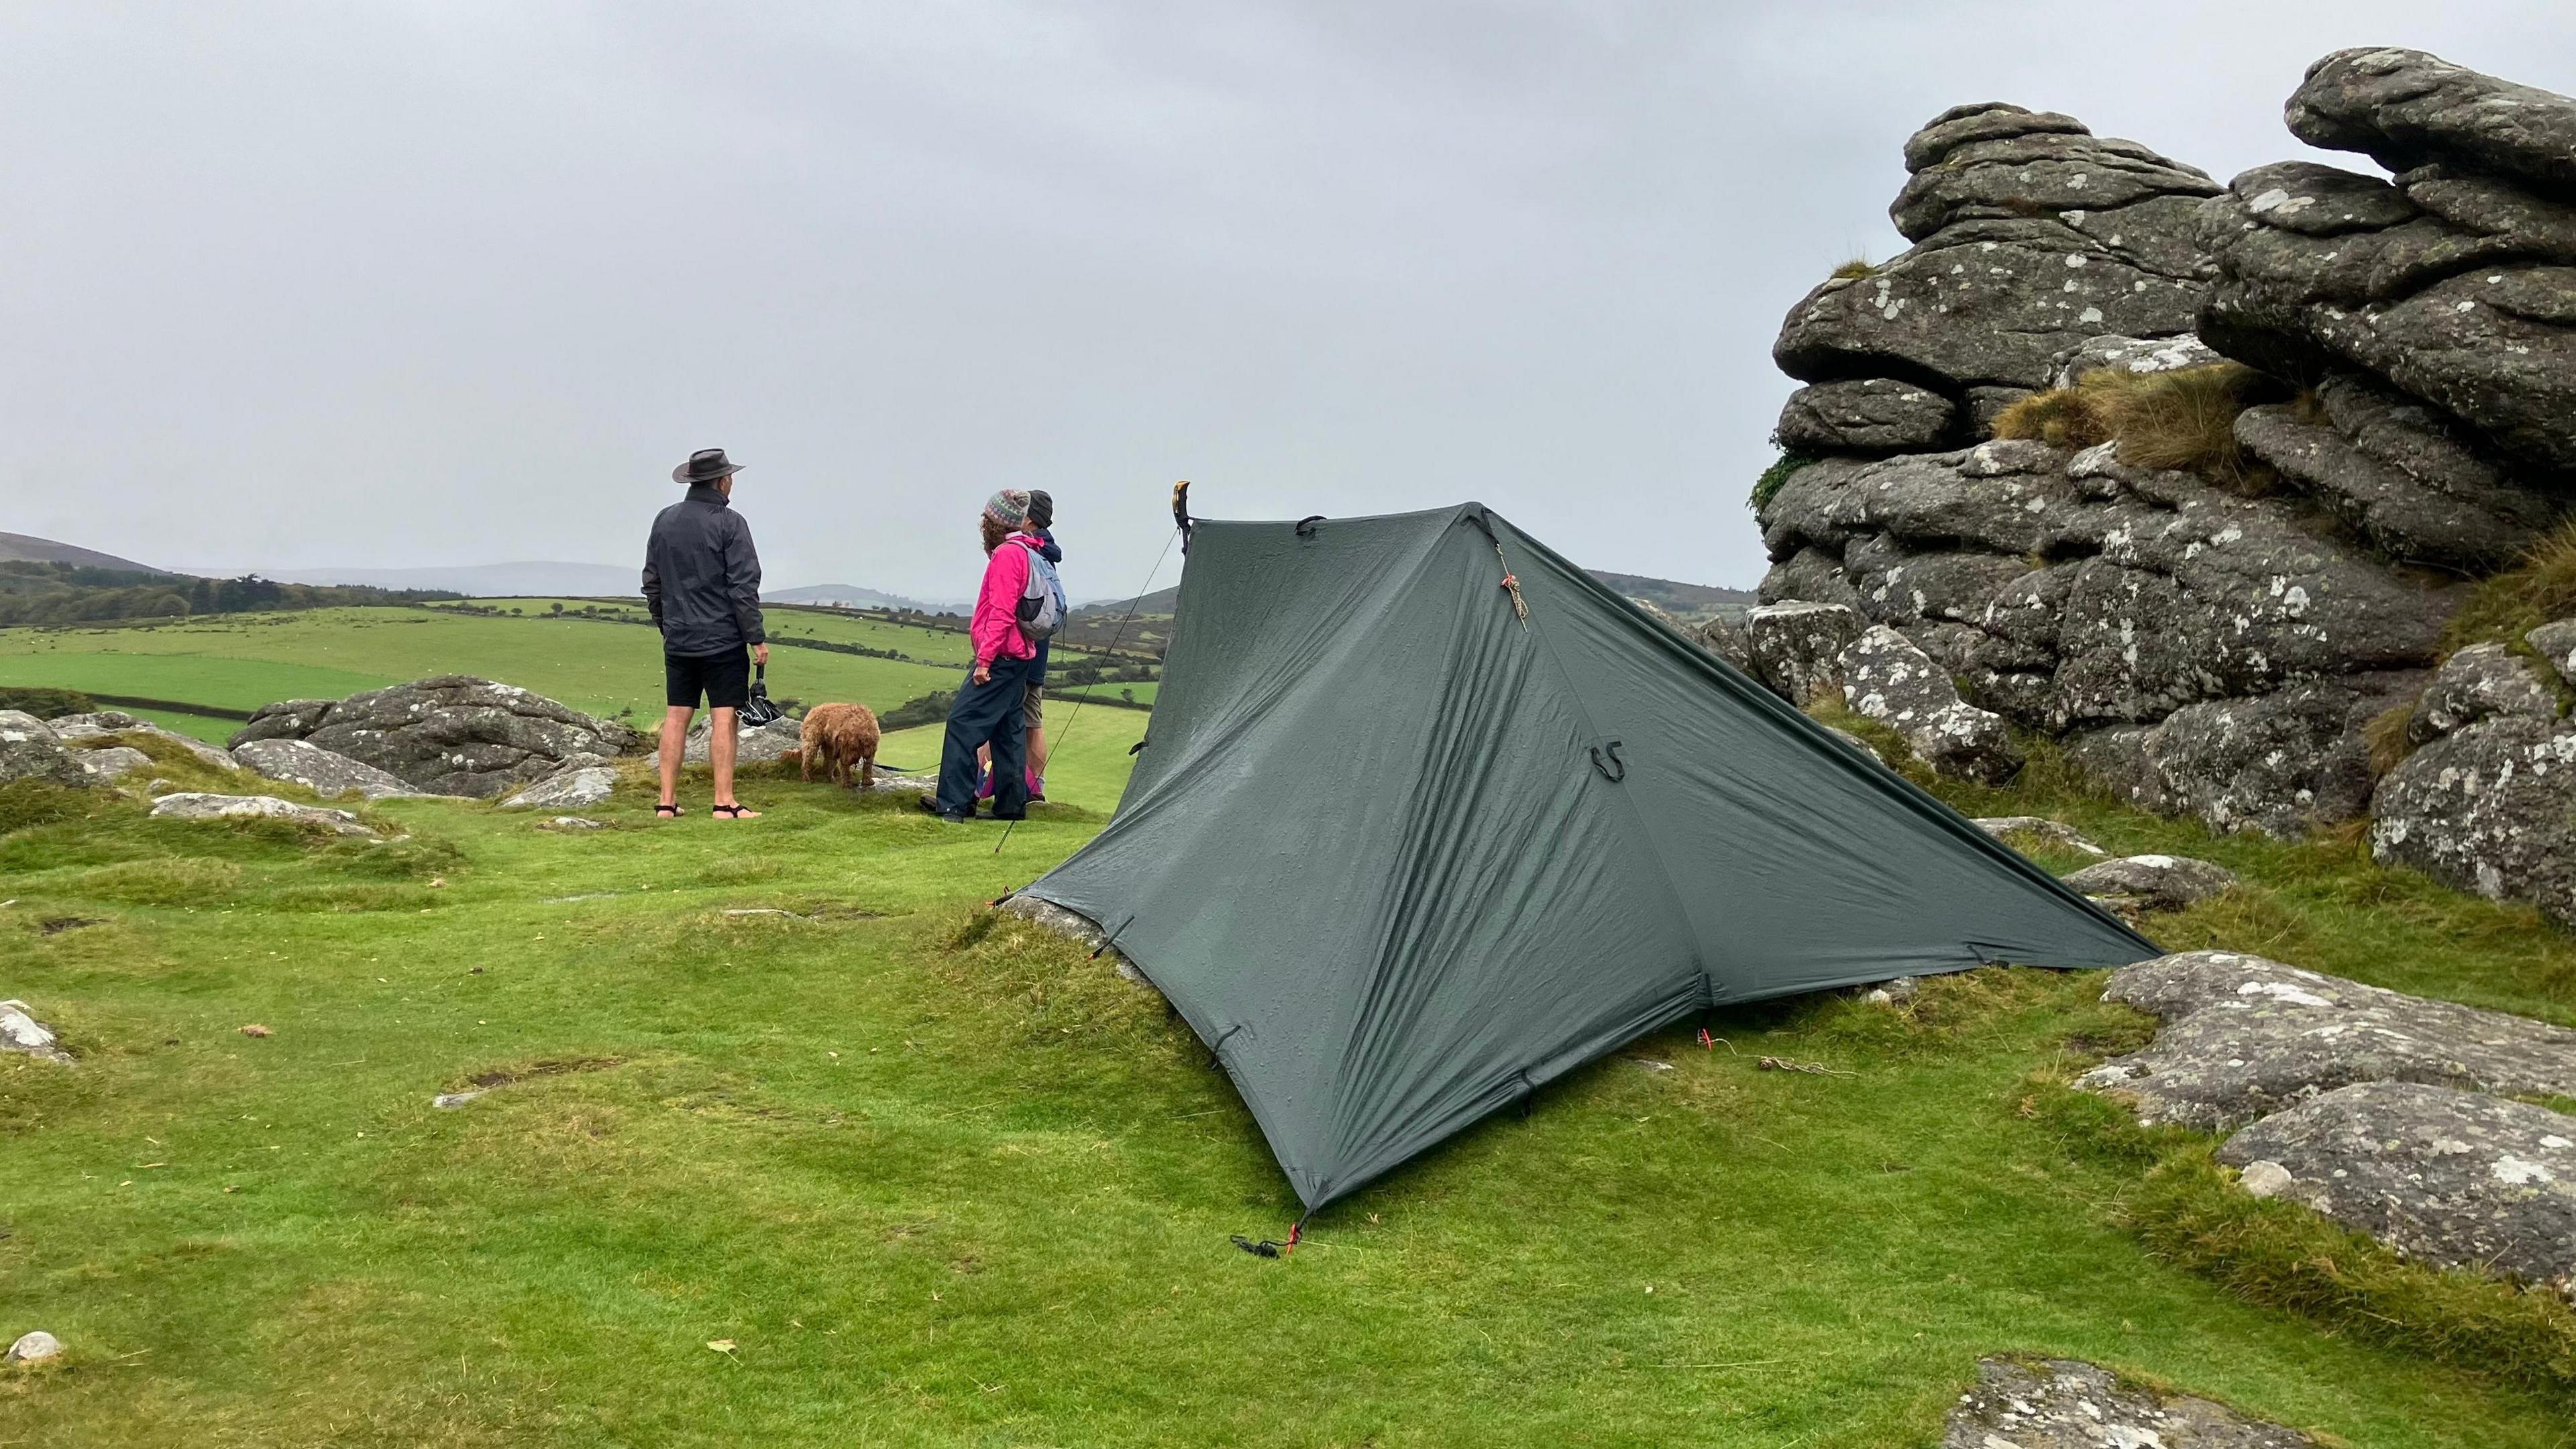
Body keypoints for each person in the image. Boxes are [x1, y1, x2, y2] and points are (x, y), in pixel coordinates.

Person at [642, 447, 769, 820]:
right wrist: (756, 638)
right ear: (722, 481)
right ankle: (724, 802)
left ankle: (666, 803)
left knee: (676, 716)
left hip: (678, 638)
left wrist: (667, 625)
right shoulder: (730, 523)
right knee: (724, 718)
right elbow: (743, 587)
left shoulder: (664, 520)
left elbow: (652, 581)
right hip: (723, 640)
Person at [925, 490, 1046, 824]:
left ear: (995, 523)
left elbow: (1003, 612)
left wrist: (984, 661)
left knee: (962, 723)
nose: (983, 524)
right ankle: (1010, 806)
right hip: (1018, 658)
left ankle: (953, 805)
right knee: (1007, 730)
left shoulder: (1008, 555)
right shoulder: (1027, 550)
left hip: (1002, 657)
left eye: (987, 519)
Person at [979, 488, 1059, 804]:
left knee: (990, 716)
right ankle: (1035, 787)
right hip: (1038, 650)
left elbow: (1005, 606)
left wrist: (988, 651)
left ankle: (982, 783)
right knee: (1032, 721)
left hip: (1014, 649)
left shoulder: (1023, 551)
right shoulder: (1047, 553)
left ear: (1029, 518)